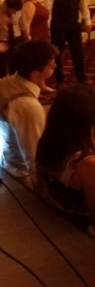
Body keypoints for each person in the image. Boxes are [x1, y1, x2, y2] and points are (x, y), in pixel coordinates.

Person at [0, 40, 58, 186]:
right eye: (51, 66)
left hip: (3, 158)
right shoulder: (28, 108)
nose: (55, 66)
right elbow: (34, 159)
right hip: (18, 174)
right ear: (35, 73)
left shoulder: (5, 82)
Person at [35, 84, 95, 237]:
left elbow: (40, 188)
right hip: (78, 232)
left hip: (54, 214)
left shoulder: (47, 141)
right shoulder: (87, 164)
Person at [43, 0, 92, 88]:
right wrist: (47, 28)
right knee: (57, 53)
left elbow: (83, 5)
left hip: (74, 25)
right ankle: (60, 80)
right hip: (58, 27)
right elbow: (47, 10)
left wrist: (87, 22)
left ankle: (81, 78)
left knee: (78, 52)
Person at [22, 0, 53, 93]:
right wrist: (28, 37)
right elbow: (27, 23)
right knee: (36, 62)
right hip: (35, 36)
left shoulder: (37, 3)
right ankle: (34, 86)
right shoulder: (29, 4)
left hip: (43, 34)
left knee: (43, 61)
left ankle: (42, 84)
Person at [0, 0, 27, 78]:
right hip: (2, 41)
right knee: (2, 67)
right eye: (14, 10)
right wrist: (2, 23)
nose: (15, 13)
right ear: (6, 6)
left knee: (16, 65)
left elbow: (23, 25)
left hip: (17, 39)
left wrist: (27, 37)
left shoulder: (19, 10)